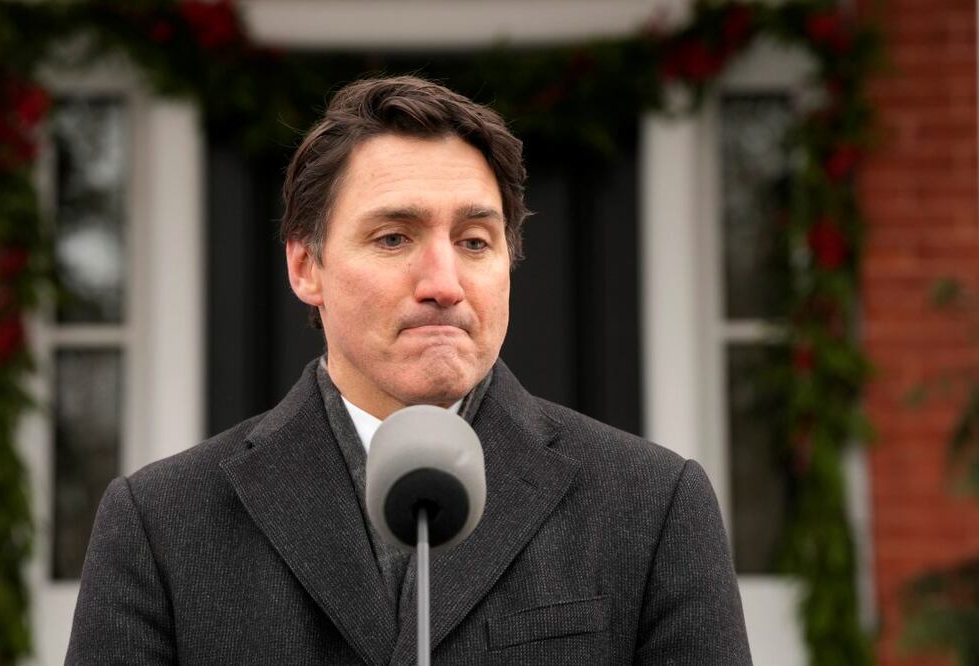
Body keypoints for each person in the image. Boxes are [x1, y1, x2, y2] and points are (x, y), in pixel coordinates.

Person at [66, 76, 751, 665]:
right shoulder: (160, 525)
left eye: (474, 241)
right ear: (305, 266)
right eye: (393, 237)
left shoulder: (653, 506)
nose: (443, 283)